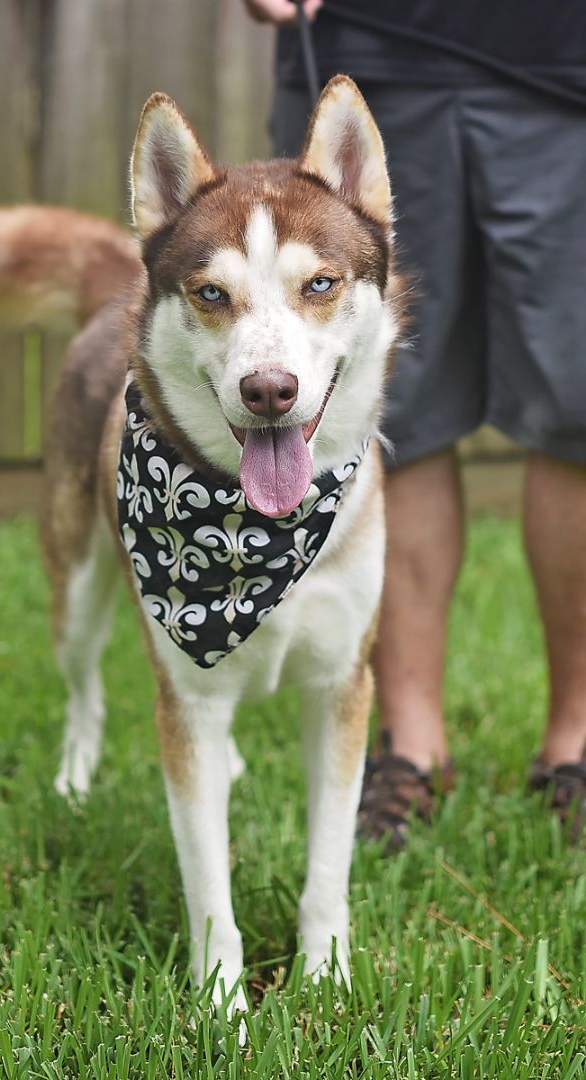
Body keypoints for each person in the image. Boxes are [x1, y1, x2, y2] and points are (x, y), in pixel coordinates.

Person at [242, 0, 586, 846]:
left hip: (566, 69)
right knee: (390, 406)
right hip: (368, 55)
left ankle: (578, 742)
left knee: (578, 411)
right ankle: (408, 745)